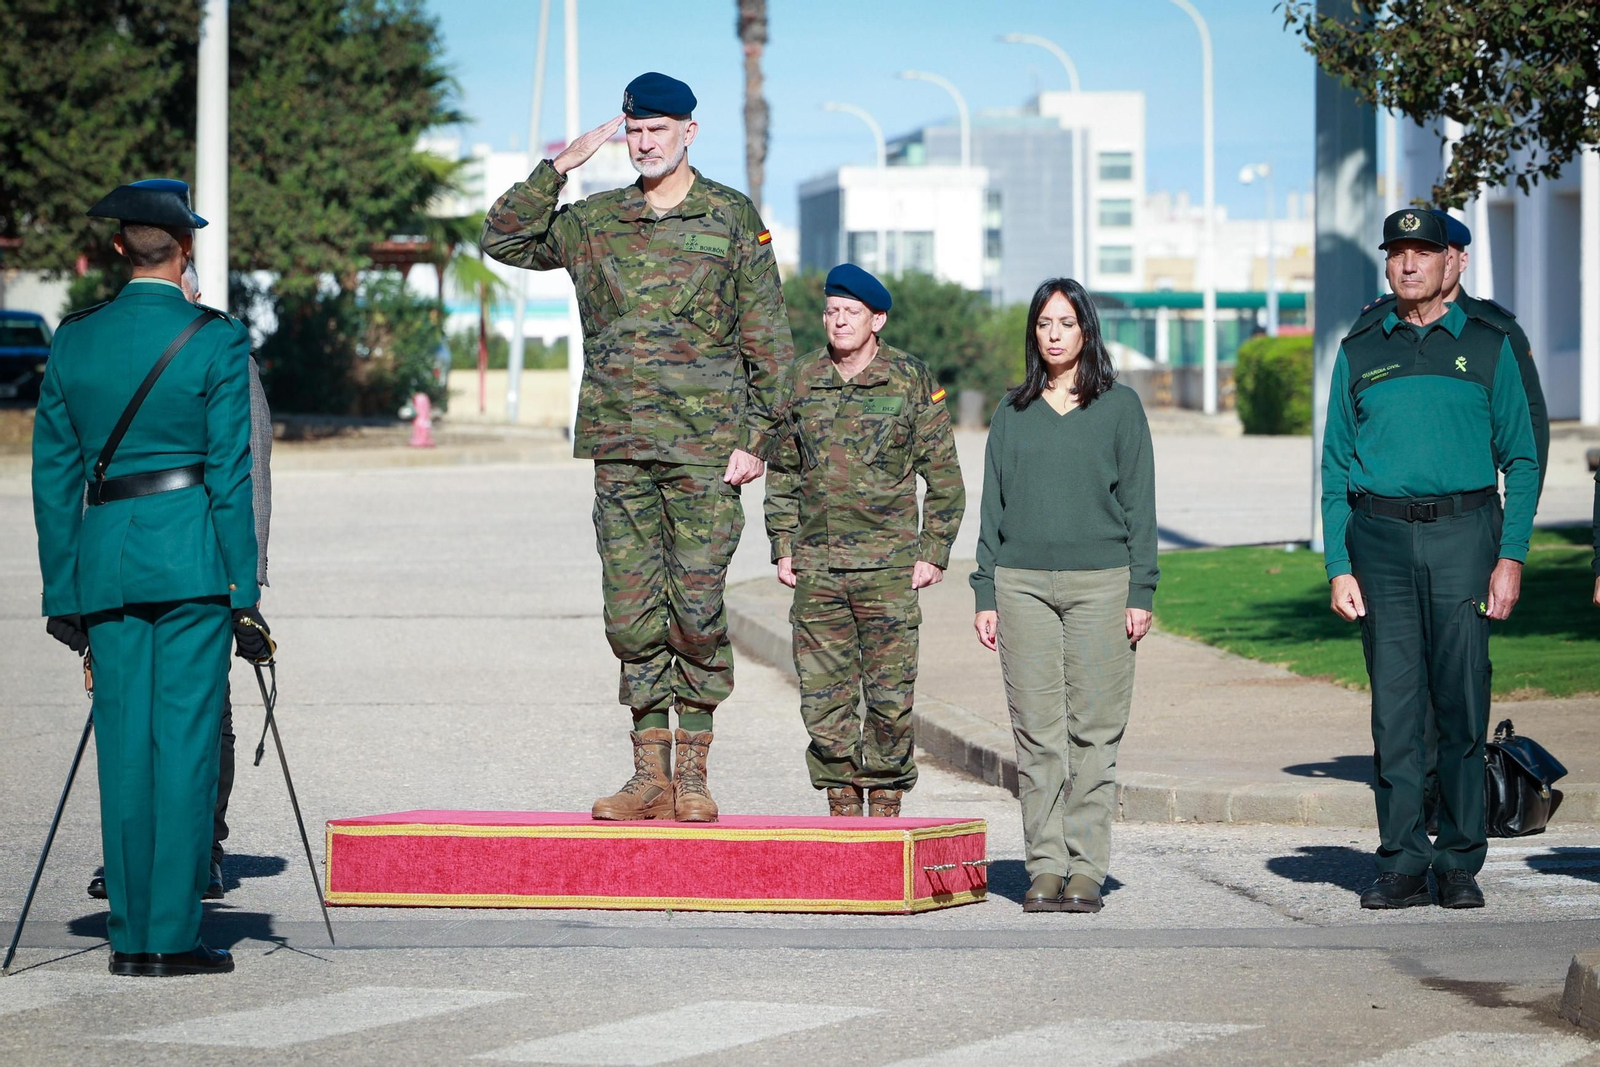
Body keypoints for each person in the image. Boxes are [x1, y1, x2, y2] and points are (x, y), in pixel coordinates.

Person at [481, 72, 793, 821]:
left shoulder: (729, 217)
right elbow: (503, 237)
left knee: (695, 609)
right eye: (634, 129)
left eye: (659, 128)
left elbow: (772, 346)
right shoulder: (595, 221)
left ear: (690, 130)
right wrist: (559, 167)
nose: (645, 142)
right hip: (621, 447)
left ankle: (694, 772)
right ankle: (648, 769)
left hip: (706, 452)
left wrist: (757, 441)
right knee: (630, 615)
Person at [33, 178, 270, 976]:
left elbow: (54, 477)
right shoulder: (214, 339)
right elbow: (231, 477)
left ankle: (128, 933)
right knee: (188, 744)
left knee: (124, 746)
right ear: (187, 249)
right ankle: (171, 935)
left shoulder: (74, 338)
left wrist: (62, 590)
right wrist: (246, 592)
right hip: (194, 562)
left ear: (115, 248)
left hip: (105, 562)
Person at [1322, 208, 1538, 911]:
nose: (1407, 264)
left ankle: (1459, 860)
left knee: (1461, 701)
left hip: (1465, 536)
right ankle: (1403, 860)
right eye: (1397, 253)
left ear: (1456, 262)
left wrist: (1511, 557)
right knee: (1396, 710)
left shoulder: (1491, 342)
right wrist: (1337, 564)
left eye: (1423, 251)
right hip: (1377, 543)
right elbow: (1333, 468)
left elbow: (1524, 459)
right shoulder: (1359, 347)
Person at [84, 260, 272, 904]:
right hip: (119, 563)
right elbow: (92, 473)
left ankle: (201, 846)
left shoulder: (218, 350)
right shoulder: (102, 347)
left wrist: (245, 585)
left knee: (204, 712)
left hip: (202, 562)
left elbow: (250, 474)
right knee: (126, 714)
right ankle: (132, 856)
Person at [969, 278, 1157, 914]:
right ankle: (1045, 864)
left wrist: (1141, 589)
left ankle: (1087, 869)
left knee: (1093, 736)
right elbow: (992, 508)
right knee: (1038, 738)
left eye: (1066, 324)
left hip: (1102, 587)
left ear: (1086, 332)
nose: (1054, 335)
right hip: (1020, 587)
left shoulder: (1120, 407)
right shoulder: (1011, 411)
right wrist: (984, 591)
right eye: (1044, 324)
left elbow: (1140, 505)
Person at [764, 264, 964, 817]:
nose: (839, 321)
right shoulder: (801, 379)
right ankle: (841, 795)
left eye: (851, 312)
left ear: (877, 319)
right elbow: (783, 469)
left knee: (890, 695)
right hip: (818, 565)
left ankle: (887, 795)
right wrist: (782, 543)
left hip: (889, 568)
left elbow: (943, 475)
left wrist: (933, 552)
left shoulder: (910, 379)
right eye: (831, 312)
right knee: (822, 693)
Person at [1350, 210, 1549, 501]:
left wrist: (1523, 508)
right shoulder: (1376, 322)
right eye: (1405, 254)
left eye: (1431, 253)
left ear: (1456, 261)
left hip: (1470, 502)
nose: (1415, 265)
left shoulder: (1496, 328)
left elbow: (1531, 419)